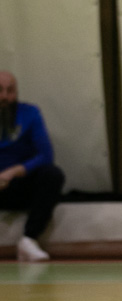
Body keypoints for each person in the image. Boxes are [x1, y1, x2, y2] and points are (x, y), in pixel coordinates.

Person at [0, 71, 64, 262]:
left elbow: (46, 155)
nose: (5, 96)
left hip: (19, 185)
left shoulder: (30, 113)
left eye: (10, 91)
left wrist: (12, 172)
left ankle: (29, 240)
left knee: (52, 174)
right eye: (0, 90)